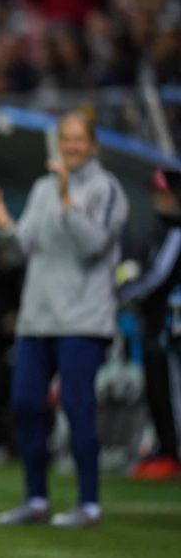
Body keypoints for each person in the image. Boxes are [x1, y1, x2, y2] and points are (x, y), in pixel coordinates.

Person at [0, 111, 129, 528]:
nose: (72, 146)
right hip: (37, 318)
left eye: (80, 139)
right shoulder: (44, 187)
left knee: (78, 407)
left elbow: (94, 246)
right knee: (26, 405)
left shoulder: (107, 189)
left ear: (94, 145)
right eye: (67, 139)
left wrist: (68, 202)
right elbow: (19, 252)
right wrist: (7, 227)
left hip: (84, 320)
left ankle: (89, 504)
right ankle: (37, 500)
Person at [118, 169, 181, 480]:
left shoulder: (176, 232)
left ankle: (173, 451)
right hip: (156, 325)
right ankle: (166, 449)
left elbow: (157, 277)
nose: (159, 199)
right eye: (157, 194)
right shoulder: (161, 232)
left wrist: (124, 293)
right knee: (157, 387)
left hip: (171, 328)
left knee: (170, 388)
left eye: (165, 193)